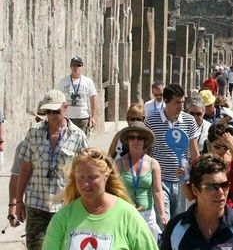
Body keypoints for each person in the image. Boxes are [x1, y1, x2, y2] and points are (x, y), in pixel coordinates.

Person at [43, 147, 158, 249]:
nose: (85, 183)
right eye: (81, 177)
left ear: (106, 176)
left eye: (92, 177)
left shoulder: (128, 216)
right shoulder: (62, 218)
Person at [16, 89, 89, 249]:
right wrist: (18, 201)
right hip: (37, 204)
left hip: (66, 206)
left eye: (55, 111)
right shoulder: (34, 133)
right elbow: (25, 168)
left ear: (65, 107)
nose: (51, 115)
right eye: (48, 111)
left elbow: (85, 174)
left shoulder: (78, 136)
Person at [161, 154, 233, 249]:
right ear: (195, 190)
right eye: (212, 187)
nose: (221, 192)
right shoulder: (175, 227)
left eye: (224, 185)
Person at [145, 83, 200, 222]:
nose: (181, 106)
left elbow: (195, 153)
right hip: (159, 181)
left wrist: (193, 176)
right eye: (177, 102)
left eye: (182, 102)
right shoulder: (151, 121)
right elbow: (146, 152)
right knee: (164, 222)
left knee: (179, 223)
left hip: (183, 181)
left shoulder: (189, 120)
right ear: (166, 101)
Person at [116, 122, 166, 240]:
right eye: (132, 137)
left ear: (144, 141)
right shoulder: (118, 163)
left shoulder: (153, 164)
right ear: (127, 141)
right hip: (125, 213)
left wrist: (163, 214)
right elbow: (114, 190)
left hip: (147, 215)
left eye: (139, 137)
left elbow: (158, 191)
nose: (135, 141)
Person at [186, 120, 233, 211]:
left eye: (226, 147)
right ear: (209, 143)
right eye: (217, 147)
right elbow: (190, 196)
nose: (221, 151)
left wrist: (230, 144)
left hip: (230, 209)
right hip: (205, 210)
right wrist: (182, 179)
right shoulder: (199, 163)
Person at [57, 56, 98, 135]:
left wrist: (94, 117)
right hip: (68, 118)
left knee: (83, 144)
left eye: (78, 65)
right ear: (71, 67)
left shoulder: (88, 81)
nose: (76, 68)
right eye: (74, 65)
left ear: (82, 67)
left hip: (83, 118)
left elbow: (93, 98)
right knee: (68, 143)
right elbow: (58, 99)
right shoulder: (63, 82)